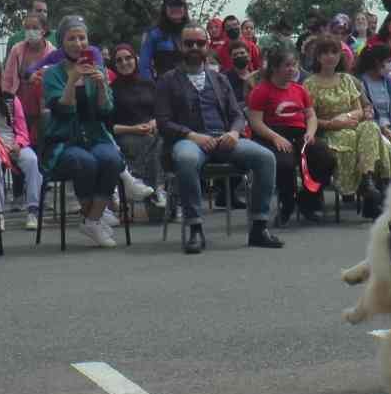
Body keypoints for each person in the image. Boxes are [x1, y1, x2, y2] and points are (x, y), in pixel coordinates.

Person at [155, 22, 283, 253]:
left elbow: (237, 115)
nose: (195, 47)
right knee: (185, 159)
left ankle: (259, 227)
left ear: (207, 47)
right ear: (179, 46)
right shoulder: (167, 80)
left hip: (224, 139)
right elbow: (163, 122)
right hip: (188, 141)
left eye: (200, 43)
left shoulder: (220, 79)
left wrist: (234, 132)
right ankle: (195, 229)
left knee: (266, 157)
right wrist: (192, 135)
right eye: (189, 43)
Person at [39, 17, 126, 249]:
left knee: (112, 159)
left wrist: (99, 85)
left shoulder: (98, 70)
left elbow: (106, 110)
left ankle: (92, 219)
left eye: (82, 38)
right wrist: (72, 79)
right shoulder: (51, 74)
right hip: (64, 140)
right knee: (84, 162)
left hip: (94, 136)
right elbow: (63, 110)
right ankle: (94, 220)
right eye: (72, 38)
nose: (78, 43)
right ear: (61, 42)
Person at [303, 35, 391, 219]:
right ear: (318, 57)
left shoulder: (347, 80)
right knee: (357, 140)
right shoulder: (309, 84)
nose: (330, 56)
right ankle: (368, 191)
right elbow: (308, 118)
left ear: (340, 55)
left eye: (334, 52)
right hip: (328, 132)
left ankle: (368, 181)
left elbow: (361, 110)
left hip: (353, 126)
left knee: (370, 127)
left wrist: (347, 117)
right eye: (325, 53)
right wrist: (333, 123)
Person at [247, 46, 335, 226]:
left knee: (326, 158)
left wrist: (310, 133)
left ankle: (307, 200)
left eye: (294, 65)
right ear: (275, 68)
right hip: (273, 134)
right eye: (287, 65)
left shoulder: (300, 90)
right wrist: (275, 138)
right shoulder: (261, 90)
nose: (293, 69)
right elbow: (256, 122)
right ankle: (286, 204)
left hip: (300, 134)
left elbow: (311, 116)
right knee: (284, 164)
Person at [0, 60, 43, 229]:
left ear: (0, 78)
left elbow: (22, 130)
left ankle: (33, 211)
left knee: (32, 161)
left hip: (12, 143)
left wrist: (18, 145)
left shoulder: (11, 100)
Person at [107, 44, 166, 214]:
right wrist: (134, 129)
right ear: (114, 65)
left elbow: (161, 112)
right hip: (126, 135)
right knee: (154, 143)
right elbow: (110, 127)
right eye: (119, 60)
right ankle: (157, 189)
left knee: (161, 140)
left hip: (152, 131)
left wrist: (154, 122)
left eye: (128, 58)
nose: (124, 63)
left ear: (135, 60)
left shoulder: (149, 84)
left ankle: (146, 188)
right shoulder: (112, 90)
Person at [2, 9, 54, 146]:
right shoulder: (17, 50)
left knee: (42, 140)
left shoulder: (52, 53)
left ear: (44, 30)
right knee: (22, 140)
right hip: (19, 104)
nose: (30, 31)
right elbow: (7, 79)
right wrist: (6, 102)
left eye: (35, 28)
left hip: (43, 106)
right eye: (27, 28)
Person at [353, 42, 391, 149]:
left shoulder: (390, 82)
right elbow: (365, 112)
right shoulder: (360, 83)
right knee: (386, 145)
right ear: (377, 62)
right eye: (388, 61)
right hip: (374, 128)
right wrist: (383, 129)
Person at [139, 0, 188, 80]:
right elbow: (144, 66)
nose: (176, 8)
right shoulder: (153, 33)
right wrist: (152, 88)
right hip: (164, 88)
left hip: (189, 88)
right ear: (165, 8)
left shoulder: (191, 31)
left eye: (179, 5)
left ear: (184, 8)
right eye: (172, 5)